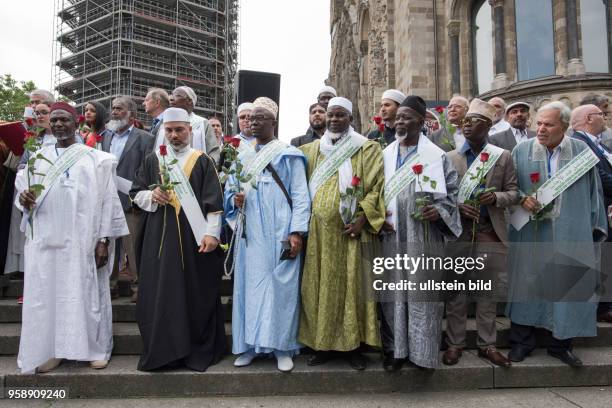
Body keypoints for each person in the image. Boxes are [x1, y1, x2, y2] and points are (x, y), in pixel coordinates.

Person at [15, 102, 128, 373]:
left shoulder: (95, 158)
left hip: (83, 241)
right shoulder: (36, 158)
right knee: (48, 294)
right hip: (45, 240)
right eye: (53, 120)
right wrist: (23, 199)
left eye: (63, 120)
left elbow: (108, 201)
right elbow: (23, 195)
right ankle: (54, 349)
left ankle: (96, 348)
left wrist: (104, 240)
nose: (57, 125)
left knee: (87, 294)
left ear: (76, 123)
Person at [507, 101, 607, 367]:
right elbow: (510, 188)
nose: (540, 129)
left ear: (564, 126)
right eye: (538, 123)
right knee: (527, 284)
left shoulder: (581, 151)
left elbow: (593, 191)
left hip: (569, 229)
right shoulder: (521, 150)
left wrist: (595, 226)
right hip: (531, 231)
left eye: (548, 124)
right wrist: (522, 198)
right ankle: (522, 342)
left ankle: (561, 344)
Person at [130, 107, 226, 372]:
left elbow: (214, 204)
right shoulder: (152, 161)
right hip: (158, 239)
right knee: (161, 292)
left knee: (194, 291)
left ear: (190, 130)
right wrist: (152, 195)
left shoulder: (203, 160)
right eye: (169, 130)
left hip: (194, 240)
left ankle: (193, 348)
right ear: (163, 131)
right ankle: (164, 351)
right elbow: (135, 193)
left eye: (179, 130)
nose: (174, 135)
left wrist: (212, 234)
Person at [298, 97, 386, 370]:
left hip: (353, 234)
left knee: (353, 289)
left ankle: (354, 346)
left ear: (350, 119)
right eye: (330, 115)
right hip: (319, 235)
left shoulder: (367, 148)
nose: (334, 120)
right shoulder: (310, 150)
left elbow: (376, 188)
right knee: (320, 288)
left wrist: (361, 219)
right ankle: (321, 344)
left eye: (340, 116)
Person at [224, 97, 311, 372]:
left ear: (273, 122)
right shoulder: (241, 154)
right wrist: (233, 200)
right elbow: (230, 190)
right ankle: (249, 345)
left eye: (259, 118)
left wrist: (297, 231)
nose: (252, 122)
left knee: (281, 287)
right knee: (249, 287)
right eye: (250, 118)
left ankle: (282, 347)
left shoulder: (288, 154)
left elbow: (300, 195)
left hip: (280, 230)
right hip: (251, 233)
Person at [379, 96, 462, 371]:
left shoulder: (436, 155)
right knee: (393, 296)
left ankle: (423, 355)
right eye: (398, 117)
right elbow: (376, 192)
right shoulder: (385, 154)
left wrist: (440, 211)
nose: (400, 121)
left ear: (421, 121)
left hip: (424, 235)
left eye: (407, 117)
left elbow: (452, 193)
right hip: (391, 234)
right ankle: (395, 351)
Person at [445, 99, 518, 368]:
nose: (466, 125)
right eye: (464, 121)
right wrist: (457, 207)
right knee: (456, 294)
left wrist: (495, 197)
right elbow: (443, 197)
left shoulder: (503, 156)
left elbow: (514, 193)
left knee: (487, 294)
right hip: (459, 234)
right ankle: (455, 344)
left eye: (473, 121)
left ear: (487, 126)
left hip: (489, 232)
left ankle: (487, 345)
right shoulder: (451, 158)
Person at [104, 96, 155, 302]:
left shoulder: (145, 138)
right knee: (108, 244)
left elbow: (148, 168)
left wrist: (138, 196)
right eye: (113, 108)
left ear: (131, 114)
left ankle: (140, 286)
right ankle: (111, 284)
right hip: (107, 198)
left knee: (133, 246)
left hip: (131, 200)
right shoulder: (105, 137)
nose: (114, 112)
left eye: (119, 109)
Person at [570, 104, 612, 324]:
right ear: (589, 118)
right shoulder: (579, 142)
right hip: (594, 211)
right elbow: (600, 177)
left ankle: (605, 305)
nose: (604, 117)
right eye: (601, 114)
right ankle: (601, 307)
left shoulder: (598, 144)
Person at [5, 102, 56, 277]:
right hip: (35, 198)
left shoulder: (69, 137)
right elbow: (22, 165)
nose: (39, 116)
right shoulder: (33, 139)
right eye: (36, 113)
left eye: (44, 112)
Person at [155, 86, 220, 163]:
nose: (171, 98)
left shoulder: (202, 123)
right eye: (172, 95)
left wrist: (207, 169)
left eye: (178, 95)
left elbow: (213, 152)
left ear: (189, 101)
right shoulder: (163, 124)